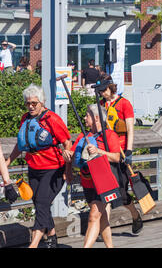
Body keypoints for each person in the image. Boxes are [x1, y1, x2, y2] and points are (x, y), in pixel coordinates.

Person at [5, 84, 72, 248]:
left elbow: (67, 143)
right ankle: (52, 236)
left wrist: (68, 171)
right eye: (28, 103)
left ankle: (33, 244)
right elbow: (21, 144)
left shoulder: (53, 119)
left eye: (34, 103)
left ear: (42, 102)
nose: (30, 106)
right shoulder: (25, 118)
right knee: (38, 202)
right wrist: (7, 162)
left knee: (42, 202)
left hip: (53, 168)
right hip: (34, 168)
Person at [64, 104, 121, 248]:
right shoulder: (84, 136)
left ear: (96, 118)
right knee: (101, 218)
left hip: (103, 182)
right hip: (88, 182)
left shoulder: (109, 135)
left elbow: (116, 157)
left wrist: (98, 151)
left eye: (87, 115)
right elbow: (74, 153)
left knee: (93, 216)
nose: (84, 118)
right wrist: (67, 155)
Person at [96, 76, 143, 235]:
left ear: (111, 88)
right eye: (100, 91)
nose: (102, 93)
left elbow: (130, 129)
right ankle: (104, 229)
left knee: (122, 194)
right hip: (105, 153)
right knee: (106, 191)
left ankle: (135, 215)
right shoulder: (101, 105)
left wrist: (128, 151)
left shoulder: (124, 104)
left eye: (104, 90)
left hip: (121, 153)